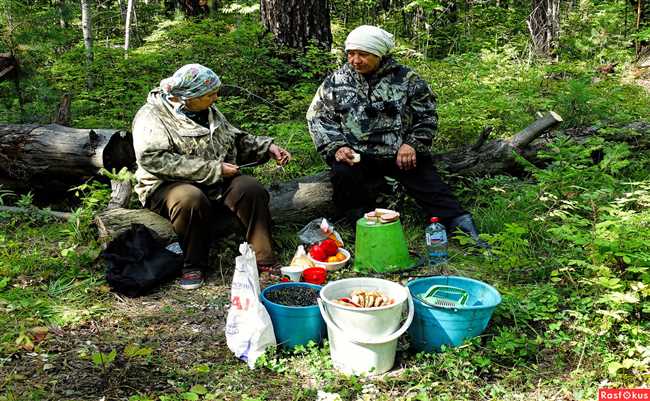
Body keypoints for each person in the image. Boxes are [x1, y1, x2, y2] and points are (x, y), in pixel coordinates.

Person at [306, 25, 486, 246]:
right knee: (343, 177)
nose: (355, 60)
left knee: (429, 183)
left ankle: (462, 226)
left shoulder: (406, 79)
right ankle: (364, 226)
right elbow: (318, 117)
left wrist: (412, 144)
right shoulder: (336, 82)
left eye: (363, 54)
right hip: (357, 155)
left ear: (379, 54)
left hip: (400, 153)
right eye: (351, 54)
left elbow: (427, 115)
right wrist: (337, 147)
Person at [132, 64, 291, 290]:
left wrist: (268, 147)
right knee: (189, 198)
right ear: (188, 96)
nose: (216, 98)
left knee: (250, 188)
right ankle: (193, 264)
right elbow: (154, 160)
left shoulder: (206, 110)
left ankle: (264, 260)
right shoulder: (152, 115)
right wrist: (214, 170)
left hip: (213, 181)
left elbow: (235, 139)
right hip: (166, 185)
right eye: (210, 94)